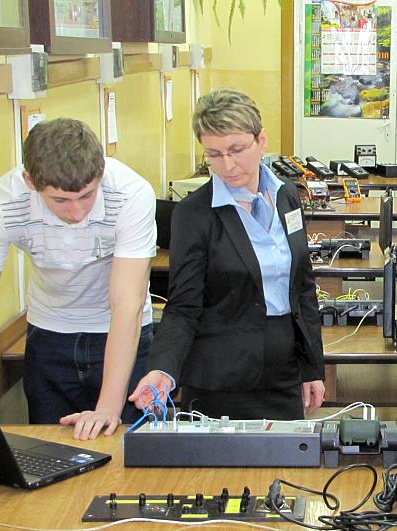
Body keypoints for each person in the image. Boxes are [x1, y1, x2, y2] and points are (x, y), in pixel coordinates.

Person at [129, 88, 325, 421]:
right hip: (219, 381)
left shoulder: (287, 196)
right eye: (214, 154)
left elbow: (302, 288)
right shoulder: (194, 214)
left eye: (237, 150)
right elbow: (183, 306)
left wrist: (311, 366)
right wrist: (163, 368)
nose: (228, 165)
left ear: (261, 140)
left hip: (284, 374)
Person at [0, 118, 156, 440]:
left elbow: (126, 304)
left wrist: (108, 408)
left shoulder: (131, 193)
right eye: (60, 200)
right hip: (49, 334)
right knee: (52, 447)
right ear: (30, 181)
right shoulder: (1, 202)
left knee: (125, 444)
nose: (77, 213)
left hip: (120, 332)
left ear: (101, 174)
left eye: (87, 196)